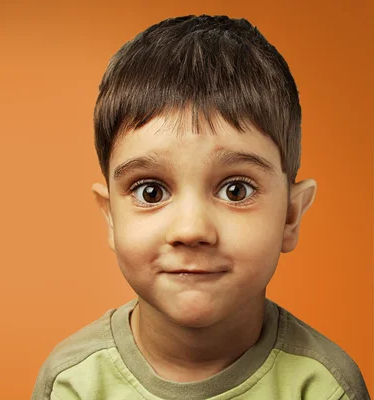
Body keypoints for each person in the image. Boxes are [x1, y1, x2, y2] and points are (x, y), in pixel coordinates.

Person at [31, 15, 370, 400]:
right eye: (151, 192)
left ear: (291, 216)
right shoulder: (71, 383)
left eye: (236, 190)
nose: (191, 230)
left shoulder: (324, 388)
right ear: (111, 217)